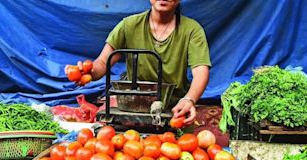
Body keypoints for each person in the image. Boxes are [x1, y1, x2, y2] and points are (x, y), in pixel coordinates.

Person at [67, 0, 211, 126]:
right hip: (133, 107)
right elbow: (103, 62)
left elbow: (200, 71)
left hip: (174, 108)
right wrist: (87, 72)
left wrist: (188, 100)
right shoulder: (128, 25)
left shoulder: (192, 30)